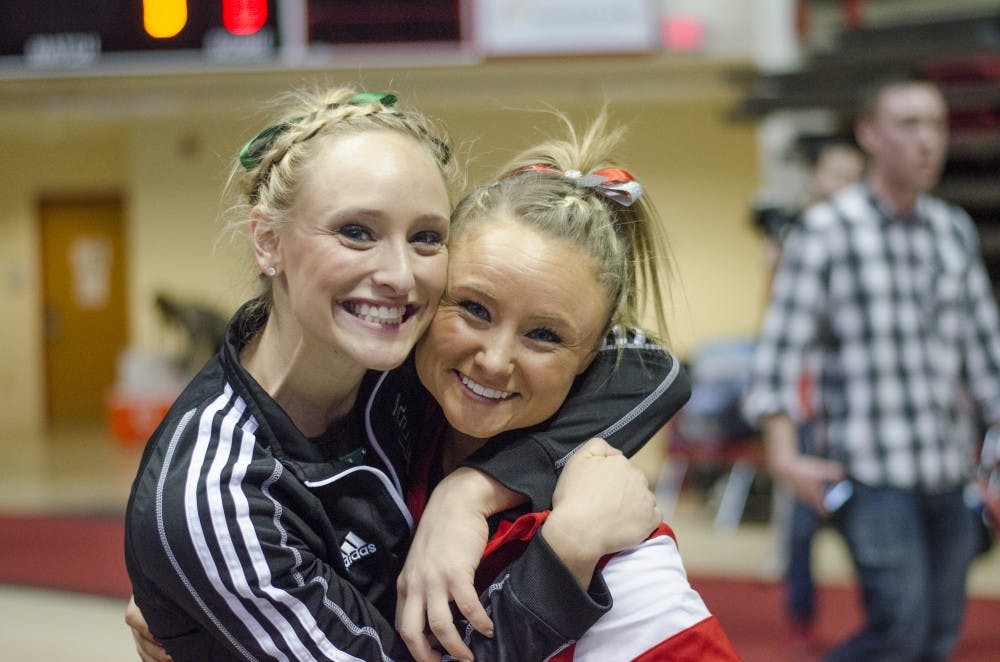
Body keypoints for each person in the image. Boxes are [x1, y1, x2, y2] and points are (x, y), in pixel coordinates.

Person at [124, 87, 690, 662]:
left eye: (425, 238)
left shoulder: (400, 362)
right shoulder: (219, 493)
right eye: (357, 232)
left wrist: (468, 492)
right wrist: (568, 553)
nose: (399, 275)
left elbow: (650, 367)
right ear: (269, 239)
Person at [397, 111, 741, 660]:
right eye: (473, 308)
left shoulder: (610, 532)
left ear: (593, 353)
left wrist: (567, 543)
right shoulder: (377, 422)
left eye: (543, 335)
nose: (494, 360)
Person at [743, 73, 1000, 661]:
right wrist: (783, 455)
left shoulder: (952, 230)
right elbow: (779, 353)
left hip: (948, 470)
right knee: (899, 630)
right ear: (869, 135)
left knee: (938, 635)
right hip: (871, 475)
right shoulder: (828, 232)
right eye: (909, 124)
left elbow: (986, 353)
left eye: (935, 125)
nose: (926, 140)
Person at [754, 137, 865, 654]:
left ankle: (885, 618)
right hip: (802, 405)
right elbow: (775, 322)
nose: (845, 186)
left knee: (867, 518)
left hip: (859, 408)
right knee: (800, 526)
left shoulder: (869, 240)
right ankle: (800, 619)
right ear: (817, 178)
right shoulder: (794, 234)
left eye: (853, 176)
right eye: (836, 175)